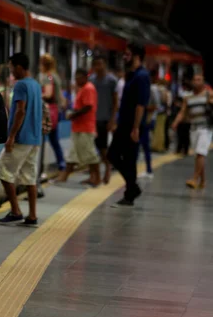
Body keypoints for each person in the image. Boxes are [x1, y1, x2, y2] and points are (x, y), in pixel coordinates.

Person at [0, 53, 43, 226]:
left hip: (22, 138)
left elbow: (21, 111)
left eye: (12, 67)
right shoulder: (36, 84)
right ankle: (32, 215)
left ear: (20, 67)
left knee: (2, 171)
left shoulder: (21, 85)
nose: (12, 71)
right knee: (30, 177)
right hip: (35, 138)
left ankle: (15, 211)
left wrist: (11, 136)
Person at [108, 42, 151, 208]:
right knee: (114, 155)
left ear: (136, 56)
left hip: (131, 125)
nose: (124, 57)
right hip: (124, 123)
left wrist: (136, 127)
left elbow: (141, 104)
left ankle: (130, 193)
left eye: (127, 54)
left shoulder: (142, 76)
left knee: (128, 158)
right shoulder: (132, 75)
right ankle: (132, 188)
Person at [171, 73, 213, 189]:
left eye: (199, 79)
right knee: (198, 155)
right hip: (194, 128)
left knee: (201, 153)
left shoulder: (209, 94)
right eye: (195, 79)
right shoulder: (188, 97)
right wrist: (176, 122)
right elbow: (182, 112)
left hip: (206, 128)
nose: (196, 82)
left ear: (203, 82)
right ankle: (203, 180)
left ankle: (195, 179)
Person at [56, 69, 101, 186]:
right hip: (78, 127)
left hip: (86, 127)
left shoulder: (88, 88)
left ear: (85, 77)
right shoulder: (83, 88)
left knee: (90, 153)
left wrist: (73, 114)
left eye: (78, 78)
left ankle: (96, 177)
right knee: (73, 152)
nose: (76, 80)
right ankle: (66, 174)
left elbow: (88, 106)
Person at [90, 56, 118, 184]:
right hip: (92, 119)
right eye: (96, 65)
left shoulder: (111, 80)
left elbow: (115, 100)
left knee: (102, 147)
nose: (98, 67)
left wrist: (112, 119)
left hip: (104, 119)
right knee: (91, 148)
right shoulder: (92, 80)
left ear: (105, 65)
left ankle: (107, 167)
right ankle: (94, 175)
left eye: (100, 64)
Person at [39, 54, 66, 172]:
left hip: (47, 111)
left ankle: (41, 167)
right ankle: (61, 162)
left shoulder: (47, 77)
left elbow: (48, 94)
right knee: (54, 139)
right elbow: (60, 96)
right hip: (55, 110)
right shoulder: (55, 76)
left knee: (43, 138)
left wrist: (36, 94)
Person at [138, 69, 160, 179]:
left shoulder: (152, 90)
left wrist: (143, 108)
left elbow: (156, 106)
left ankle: (149, 169)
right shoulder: (139, 89)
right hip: (138, 121)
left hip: (146, 121)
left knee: (145, 145)